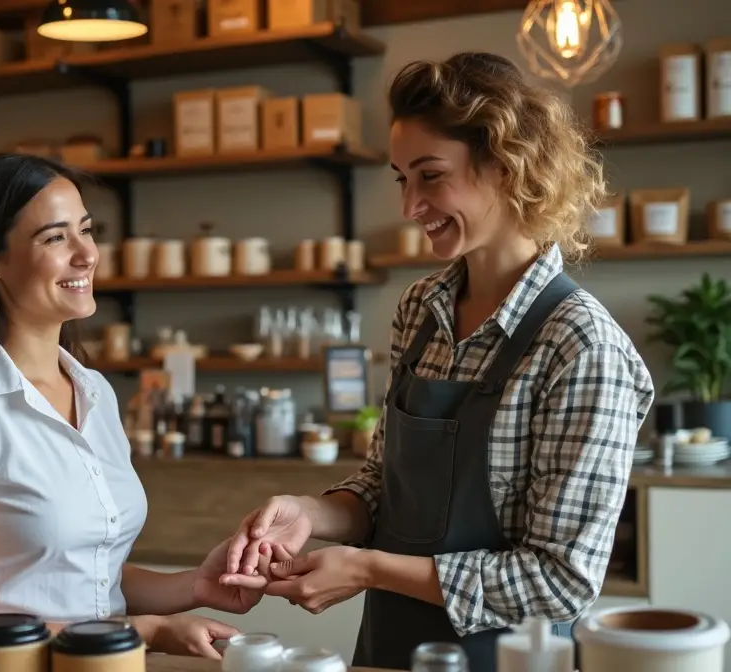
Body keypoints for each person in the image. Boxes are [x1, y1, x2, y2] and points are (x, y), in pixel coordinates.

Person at [221, 52, 655, 671]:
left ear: (507, 166)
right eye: (402, 178)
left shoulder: (581, 346)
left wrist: (369, 568)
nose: (409, 206)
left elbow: (561, 581)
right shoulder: (420, 310)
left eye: (430, 175)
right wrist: (310, 513)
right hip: (389, 654)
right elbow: (383, 483)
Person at [0, 153, 274, 659]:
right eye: (55, 237)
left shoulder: (94, 391)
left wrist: (196, 585)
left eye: (86, 230)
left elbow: (85, 576)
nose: (87, 254)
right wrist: (143, 632)